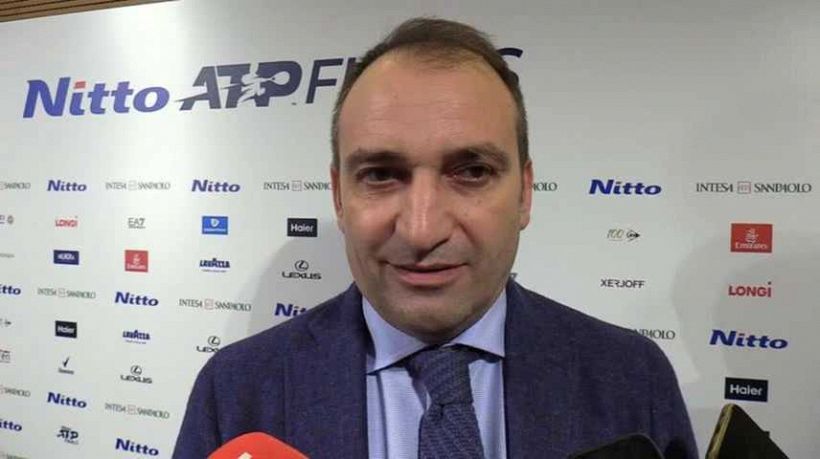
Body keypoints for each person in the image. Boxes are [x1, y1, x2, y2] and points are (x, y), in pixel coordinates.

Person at [174, 18, 697, 459]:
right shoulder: (236, 390)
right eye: (381, 174)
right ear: (338, 197)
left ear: (525, 193)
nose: (422, 229)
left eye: (472, 171)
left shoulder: (632, 376)